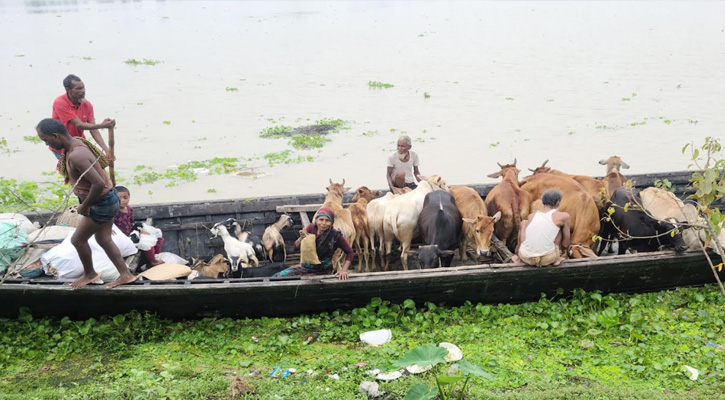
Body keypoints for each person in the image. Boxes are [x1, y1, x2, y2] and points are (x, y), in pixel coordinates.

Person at [36, 118, 136, 289]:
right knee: (104, 239)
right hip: (109, 200)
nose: (47, 145)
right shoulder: (75, 145)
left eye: (46, 140)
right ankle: (125, 275)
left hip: (101, 203)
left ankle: (90, 273)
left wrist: (85, 206)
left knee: (77, 240)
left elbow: (99, 184)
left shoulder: (77, 155)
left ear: (56, 136)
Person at [273, 207, 353, 280]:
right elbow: (296, 247)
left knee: (306, 281)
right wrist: (301, 238)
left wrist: (344, 270)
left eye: (327, 220)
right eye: (321, 219)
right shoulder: (311, 228)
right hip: (305, 266)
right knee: (277, 277)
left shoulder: (335, 235)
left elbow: (350, 252)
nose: (323, 223)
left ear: (332, 222)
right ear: (316, 220)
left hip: (323, 270)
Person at [50, 74, 116, 160]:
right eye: (78, 89)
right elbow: (79, 124)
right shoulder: (60, 102)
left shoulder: (87, 105)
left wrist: (106, 150)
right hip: (62, 145)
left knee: (96, 166)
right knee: (76, 170)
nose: (83, 91)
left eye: (83, 88)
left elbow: (93, 129)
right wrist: (103, 125)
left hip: (78, 143)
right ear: (68, 90)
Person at [512, 189, 571, 267]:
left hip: (526, 257)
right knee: (559, 228)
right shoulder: (564, 216)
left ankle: (519, 258)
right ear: (557, 202)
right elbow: (566, 244)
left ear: (543, 202)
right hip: (547, 259)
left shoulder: (531, 216)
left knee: (524, 223)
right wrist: (562, 250)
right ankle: (557, 258)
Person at [113, 186, 164, 269]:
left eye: (125, 198)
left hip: (131, 232)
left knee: (157, 234)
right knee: (146, 242)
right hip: (123, 237)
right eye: (119, 198)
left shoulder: (129, 209)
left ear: (129, 198)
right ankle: (152, 261)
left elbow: (132, 223)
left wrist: (139, 232)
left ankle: (154, 256)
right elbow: (108, 224)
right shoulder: (114, 211)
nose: (122, 201)